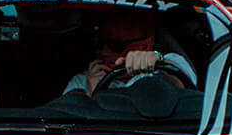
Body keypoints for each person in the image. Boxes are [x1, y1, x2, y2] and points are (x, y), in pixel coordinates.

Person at [63, 8, 196, 98]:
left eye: (114, 45)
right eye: (99, 43)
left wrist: (156, 61)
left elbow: (181, 85)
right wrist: (94, 95)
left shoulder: (169, 65)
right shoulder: (82, 82)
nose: (104, 52)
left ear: (145, 45)